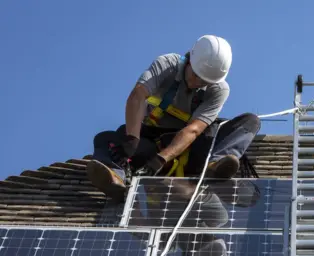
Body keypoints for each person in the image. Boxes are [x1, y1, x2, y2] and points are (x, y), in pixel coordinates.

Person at [85, 34, 262, 204]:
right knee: (105, 139)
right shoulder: (167, 64)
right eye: (196, 75)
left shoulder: (219, 90)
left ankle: (215, 167)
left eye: (205, 81)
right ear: (190, 60)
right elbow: (138, 96)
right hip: (152, 143)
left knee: (250, 121)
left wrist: (162, 159)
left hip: (193, 149)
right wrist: (132, 139)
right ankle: (116, 180)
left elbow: (194, 129)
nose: (198, 83)